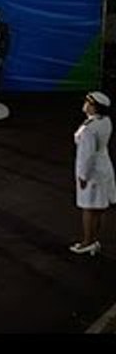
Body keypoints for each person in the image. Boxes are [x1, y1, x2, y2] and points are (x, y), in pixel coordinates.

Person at [70, 92, 115, 255]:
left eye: (88, 102)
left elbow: (86, 156)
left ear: (95, 106)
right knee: (99, 207)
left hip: (93, 172)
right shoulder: (104, 121)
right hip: (104, 168)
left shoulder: (90, 129)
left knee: (88, 208)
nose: (85, 104)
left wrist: (83, 176)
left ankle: (87, 242)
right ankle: (94, 239)